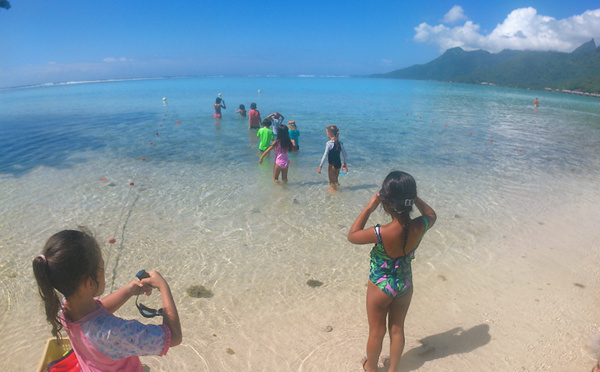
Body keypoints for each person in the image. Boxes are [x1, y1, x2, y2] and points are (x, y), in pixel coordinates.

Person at [32, 229, 182, 371]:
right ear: (89, 283)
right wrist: (163, 286)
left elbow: (97, 312)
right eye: (102, 269)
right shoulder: (114, 333)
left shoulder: (65, 307)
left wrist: (129, 290)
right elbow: (174, 337)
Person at [347, 171, 436, 372]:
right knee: (397, 330)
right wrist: (414, 197)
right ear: (410, 200)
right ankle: (393, 369)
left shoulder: (381, 232)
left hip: (380, 287)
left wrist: (369, 208)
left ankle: (371, 368)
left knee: (376, 333)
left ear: (386, 202)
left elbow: (352, 235)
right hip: (404, 284)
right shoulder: (420, 226)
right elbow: (431, 214)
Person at [318, 125, 347, 192]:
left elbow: (325, 156)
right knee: (336, 180)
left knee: (331, 181)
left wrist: (320, 166)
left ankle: (335, 192)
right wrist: (344, 163)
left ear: (329, 134)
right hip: (338, 164)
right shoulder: (340, 143)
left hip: (332, 165)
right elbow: (345, 155)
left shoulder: (329, 144)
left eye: (327, 133)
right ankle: (338, 188)